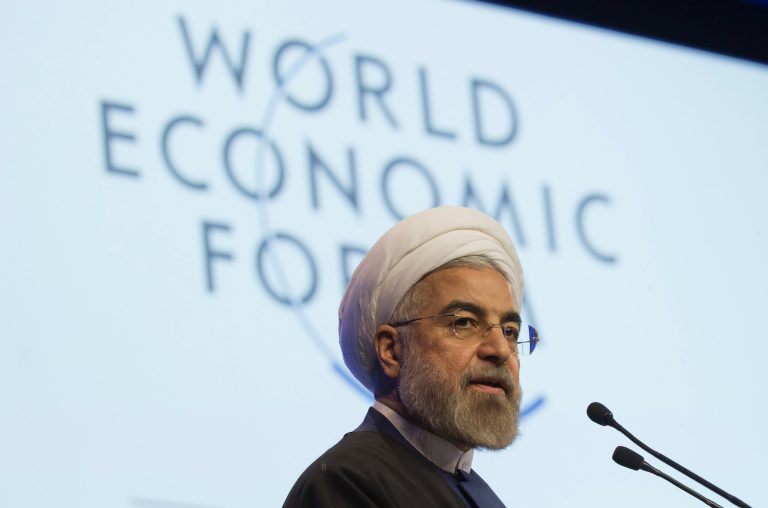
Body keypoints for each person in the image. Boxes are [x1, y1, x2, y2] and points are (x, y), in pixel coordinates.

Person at [284, 206, 539, 508]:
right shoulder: (349, 480)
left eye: (510, 331)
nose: (499, 350)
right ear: (391, 350)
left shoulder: (479, 493)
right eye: (464, 322)